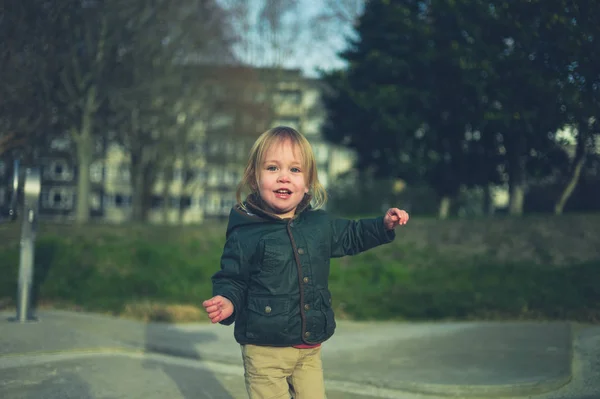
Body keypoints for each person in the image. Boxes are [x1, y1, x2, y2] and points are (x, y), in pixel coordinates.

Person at [202, 126, 409, 399]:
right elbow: (233, 278)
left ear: (308, 181)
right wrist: (227, 300)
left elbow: (352, 235)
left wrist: (383, 226)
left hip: (308, 346)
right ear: (254, 178)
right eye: (273, 168)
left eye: (295, 170)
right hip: (264, 349)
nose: (284, 178)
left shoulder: (318, 225)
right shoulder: (246, 232)